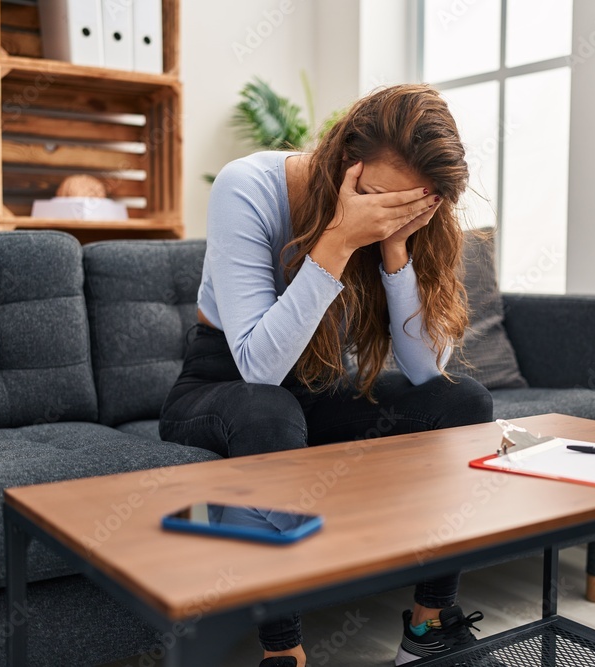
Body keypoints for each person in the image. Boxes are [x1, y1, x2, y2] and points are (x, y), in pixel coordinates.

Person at [159, 84, 495, 667]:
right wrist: (339, 239)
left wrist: (395, 245)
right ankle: (283, 652)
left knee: (462, 399)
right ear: (346, 163)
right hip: (222, 385)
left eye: (409, 204)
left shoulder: (400, 222)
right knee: (270, 411)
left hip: (314, 387)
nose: (388, 211)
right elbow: (259, 367)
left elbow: (423, 368)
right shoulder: (249, 187)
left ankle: (428, 627)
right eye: (378, 198)